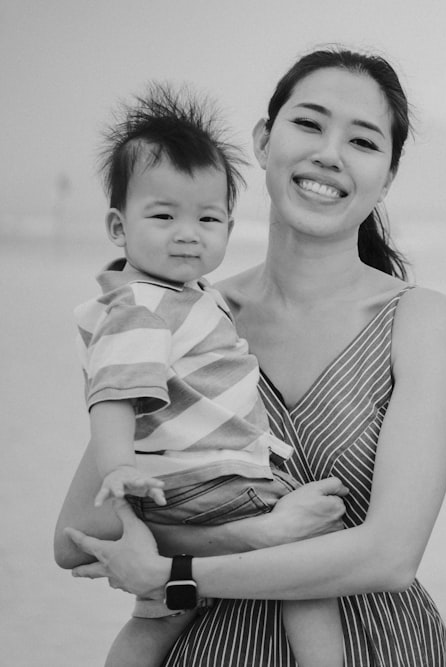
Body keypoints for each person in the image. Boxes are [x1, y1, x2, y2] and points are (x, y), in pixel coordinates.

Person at [54, 47, 446, 667]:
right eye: (308, 123)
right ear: (264, 140)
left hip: (373, 648)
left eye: (362, 140)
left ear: (387, 177)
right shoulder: (181, 315)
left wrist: (176, 572)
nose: (329, 152)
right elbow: (78, 537)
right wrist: (252, 535)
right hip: (210, 650)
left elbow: (389, 557)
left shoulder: (422, 321)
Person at [73, 82, 345, 667]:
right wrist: (119, 465)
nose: (188, 232)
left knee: (160, 614)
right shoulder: (144, 307)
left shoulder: (183, 298)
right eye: (164, 215)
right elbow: (114, 396)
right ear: (119, 228)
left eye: (208, 218)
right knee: (308, 558)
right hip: (214, 483)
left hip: (176, 495)